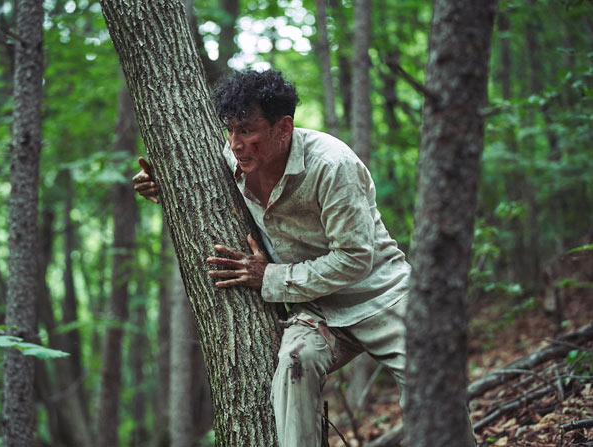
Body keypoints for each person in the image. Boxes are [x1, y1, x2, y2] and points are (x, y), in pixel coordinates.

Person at [132, 69, 475, 447]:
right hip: (318, 310)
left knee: (436, 391)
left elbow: (355, 259)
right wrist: (168, 190)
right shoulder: (232, 159)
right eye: (230, 130)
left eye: (247, 130)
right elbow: (206, 194)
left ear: (283, 128)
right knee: (295, 366)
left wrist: (271, 278)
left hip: (383, 295)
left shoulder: (331, 165)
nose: (236, 143)